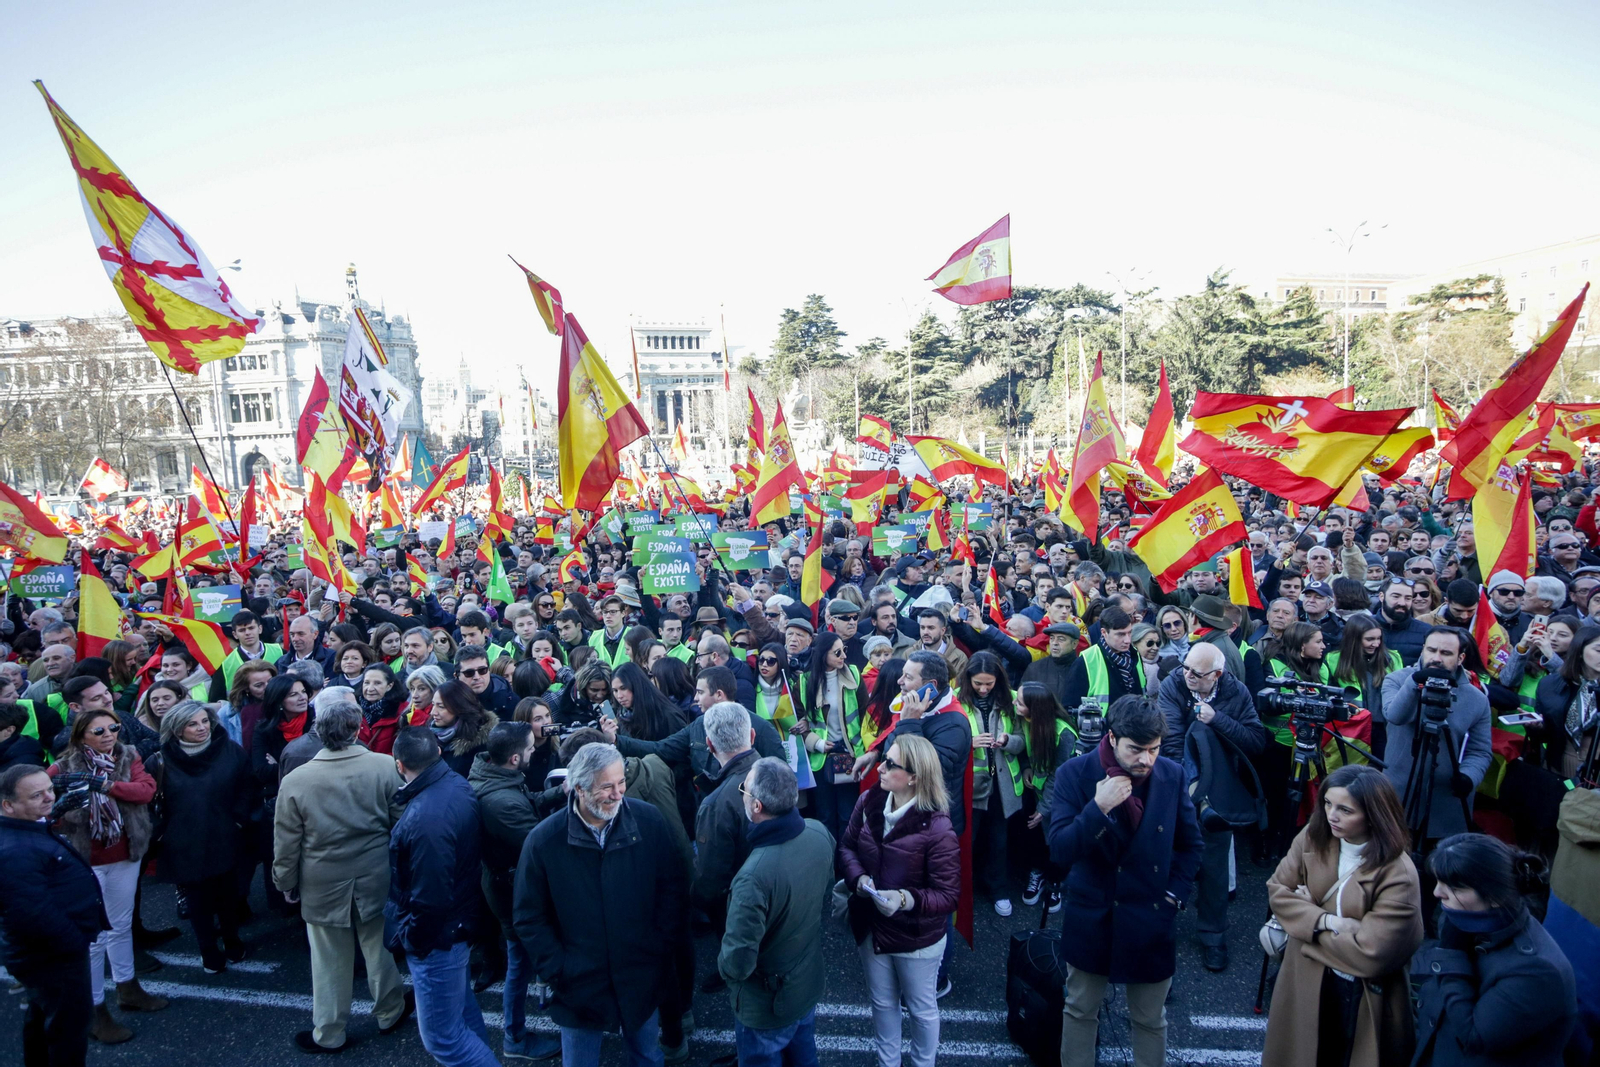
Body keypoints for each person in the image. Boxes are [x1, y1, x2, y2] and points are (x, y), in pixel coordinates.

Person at [1046, 696, 1202, 1067]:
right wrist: (1097, 809)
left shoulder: (1171, 774)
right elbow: (1060, 850)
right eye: (1136, 749)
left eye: (1154, 749)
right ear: (1112, 738)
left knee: (1149, 1018)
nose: (1146, 760)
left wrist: (1174, 896)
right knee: (1081, 1009)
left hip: (1150, 914)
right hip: (1093, 914)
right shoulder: (1075, 774)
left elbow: (1191, 844)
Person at [513, 742, 689, 1067]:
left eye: (621, 783)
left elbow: (672, 889)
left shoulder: (648, 822)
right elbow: (528, 916)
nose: (618, 793)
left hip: (641, 976)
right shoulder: (544, 841)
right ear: (579, 788)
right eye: (607, 786)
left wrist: (658, 946)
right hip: (579, 984)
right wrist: (559, 969)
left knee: (648, 1057)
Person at [1264, 764, 1424, 1067]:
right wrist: (1328, 921)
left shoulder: (1398, 872)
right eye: (1327, 803)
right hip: (1305, 983)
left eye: (1345, 810)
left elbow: (1371, 955)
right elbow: (1278, 891)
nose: (1331, 815)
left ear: (1375, 814)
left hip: (1361, 997)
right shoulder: (1312, 837)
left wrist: (1306, 927)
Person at [273, 699, 410, 1052]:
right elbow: (401, 821)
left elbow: (287, 842)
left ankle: (330, 1031)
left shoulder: (296, 780)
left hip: (322, 879)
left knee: (329, 959)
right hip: (374, 871)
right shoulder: (383, 766)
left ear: (318, 730)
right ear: (357, 729)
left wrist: (285, 882)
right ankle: (390, 1010)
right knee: (378, 946)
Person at [836, 735, 958, 1067]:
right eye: (884, 759)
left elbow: (948, 896)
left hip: (915, 937)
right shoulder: (869, 800)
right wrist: (858, 877)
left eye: (891, 764)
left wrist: (904, 899)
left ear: (915, 776)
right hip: (872, 926)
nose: (882, 767)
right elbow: (846, 847)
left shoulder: (938, 827)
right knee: (882, 1004)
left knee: (921, 1009)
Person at [47, 708, 166, 1043]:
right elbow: (42, 804)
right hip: (87, 860)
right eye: (98, 731)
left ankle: (128, 988)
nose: (108, 735)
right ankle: (94, 1010)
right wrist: (68, 812)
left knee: (120, 925)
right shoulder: (63, 766)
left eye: (112, 727)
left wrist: (107, 785)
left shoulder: (127, 755)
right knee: (93, 936)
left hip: (125, 853)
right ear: (80, 735)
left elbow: (145, 790)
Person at [1411, 834, 1577, 1067]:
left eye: (1454, 886)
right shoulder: (1462, 919)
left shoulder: (1536, 971)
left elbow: (1473, 1037)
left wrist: (1450, 954)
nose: (1437, 893)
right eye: (1438, 881)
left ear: (1496, 897)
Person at [387, 728, 495, 1067]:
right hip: (456, 926)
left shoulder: (424, 817)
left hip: (439, 937)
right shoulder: (454, 784)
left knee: (444, 1039)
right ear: (437, 750)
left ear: (399, 765)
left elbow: (430, 897)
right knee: (461, 1013)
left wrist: (415, 939)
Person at [1155, 642, 1264, 972]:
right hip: (1176, 787)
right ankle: (1158, 936)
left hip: (1220, 787)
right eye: (1186, 667)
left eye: (1196, 673)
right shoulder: (1172, 684)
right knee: (1166, 862)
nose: (1187, 675)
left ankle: (1213, 935)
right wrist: (1187, 792)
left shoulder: (1236, 691)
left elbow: (1256, 740)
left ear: (1217, 675)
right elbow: (1170, 740)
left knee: (1215, 868)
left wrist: (1218, 719)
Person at [717, 757, 833, 1067]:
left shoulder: (753, 876)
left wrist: (723, 970)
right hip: (805, 986)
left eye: (744, 790)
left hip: (767, 1006)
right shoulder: (818, 833)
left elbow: (738, 963)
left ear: (756, 806)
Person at [0, 765, 109, 1067]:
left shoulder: (25, 828)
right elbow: (31, 912)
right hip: (54, 957)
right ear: (8, 805)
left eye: (50, 789)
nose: (50, 798)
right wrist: (75, 941)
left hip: (48, 955)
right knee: (68, 1034)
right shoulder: (15, 850)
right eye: (37, 795)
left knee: (43, 1019)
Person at [468, 722, 562, 1062]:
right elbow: (537, 841)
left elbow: (527, 802)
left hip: (506, 882)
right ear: (514, 757)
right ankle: (515, 1037)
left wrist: (559, 792)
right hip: (509, 891)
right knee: (519, 962)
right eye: (530, 748)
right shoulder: (499, 803)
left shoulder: (495, 775)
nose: (535, 750)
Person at [149, 702, 256, 975]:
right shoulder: (159, 760)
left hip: (226, 834)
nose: (202, 728)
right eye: (192, 724)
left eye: (204, 721)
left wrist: (238, 819)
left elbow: (246, 787)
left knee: (229, 896)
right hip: (184, 841)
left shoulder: (231, 750)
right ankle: (208, 951)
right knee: (198, 901)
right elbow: (151, 804)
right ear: (176, 730)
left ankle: (232, 942)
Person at [1381, 627, 1494, 851]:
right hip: (1398, 793)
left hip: (1446, 801)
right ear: (1423, 650)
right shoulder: (1397, 680)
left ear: (1461, 658)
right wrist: (1414, 683)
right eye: (1431, 650)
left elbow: (1480, 751)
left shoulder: (1477, 698)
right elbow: (1395, 716)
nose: (1436, 658)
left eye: (1446, 653)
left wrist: (1469, 777)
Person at [1014, 682, 1074, 915]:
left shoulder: (1063, 733)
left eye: (1020, 702)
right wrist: (1027, 767)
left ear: (1035, 708)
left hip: (1058, 798)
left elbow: (1060, 775)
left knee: (1055, 840)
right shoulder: (1027, 721)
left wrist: (1044, 808)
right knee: (1034, 836)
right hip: (1036, 791)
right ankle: (1037, 873)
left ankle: (1055, 883)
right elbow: (1027, 751)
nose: (1015, 705)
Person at [430, 680, 499, 777]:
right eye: (433, 704)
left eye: (441, 707)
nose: (433, 712)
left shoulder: (480, 745)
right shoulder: (430, 736)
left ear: (459, 707)